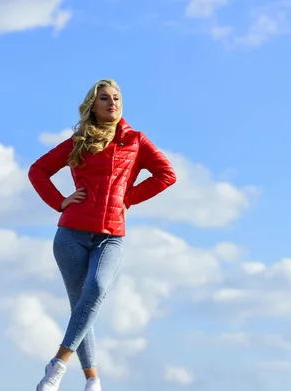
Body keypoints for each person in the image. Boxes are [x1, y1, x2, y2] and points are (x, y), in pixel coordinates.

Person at [28, 79, 176, 391]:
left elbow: (166, 174)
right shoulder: (80, 139)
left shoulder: (135, 140)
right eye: (105, 99)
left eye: (117, 98)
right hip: (71, 233)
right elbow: (38, 170)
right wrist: (60, 201)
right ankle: (93, 381)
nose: (112, 103)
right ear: (93, 106)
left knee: (94, 290)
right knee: (82, 307)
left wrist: (128, 197)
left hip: (112, 235)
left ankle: (57, 365)